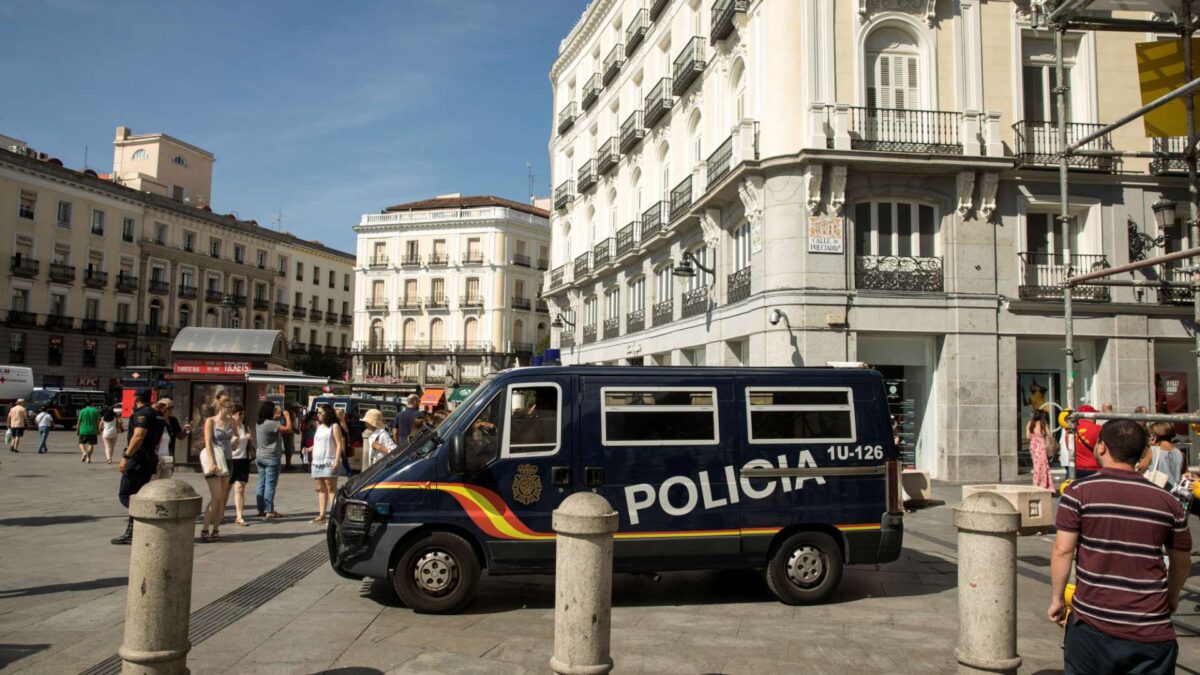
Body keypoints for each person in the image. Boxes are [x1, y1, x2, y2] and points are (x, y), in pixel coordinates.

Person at [1049, 419, 1191, 674]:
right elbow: (1181, 561)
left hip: (1092, 626)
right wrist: (1171, 598)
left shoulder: (1078, 492)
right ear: (1142, 453)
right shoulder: (1168, 501)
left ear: (1102, 448)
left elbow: (1062, 550)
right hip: (1151, 630)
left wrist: (1058, 599)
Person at [111, 391, 164, 545]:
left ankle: (149, 514)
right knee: (139, 494)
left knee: (126, 495)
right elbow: (159, 438)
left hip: (138, 459)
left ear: (136, 399)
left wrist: (126, 457)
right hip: (149, 459)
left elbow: (139, 435)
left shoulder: (142, 414)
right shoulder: (158, 415)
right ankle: (132, 530)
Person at [199, 399, 234, 543]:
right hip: (215, 459)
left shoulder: (231, 421)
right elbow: (207, 441)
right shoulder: (210, 421)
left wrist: (236, 440)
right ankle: (205, 529)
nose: (231, 409)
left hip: (228, 460)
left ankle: (216, 529)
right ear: (221, 407)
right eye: (229, 407)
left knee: (222, 499)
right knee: (216, 497)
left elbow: (235, 439)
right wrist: (212, 461)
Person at [255, 401, 291, 519]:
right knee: (270, 484)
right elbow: (288, 429)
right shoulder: (271, 424)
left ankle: (261, 509)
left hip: (260, 456)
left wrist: (275, 417)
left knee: (261, 483)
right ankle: (269, 510)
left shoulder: (260, 422)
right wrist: (287, 416)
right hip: (271, 457)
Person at [310, 405, 344, 524]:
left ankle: (334, 515)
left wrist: (336, 460)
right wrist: (310, 449)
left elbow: (339, 444)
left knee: (331, 488)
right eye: (317, 412)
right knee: (320, 488)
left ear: (327, 413)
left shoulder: (334, 426)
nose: (318, 414)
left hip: (329, 460)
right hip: (317, 461)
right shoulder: (320, 427)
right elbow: (319, 442)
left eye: (320, 412)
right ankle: (322, 514)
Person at [226, 404, 254, 527]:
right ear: (232, 415)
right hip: (230, 460)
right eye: (239, 414)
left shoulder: (245, 427)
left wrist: (249, 437)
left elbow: (250, 440)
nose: (242, 416)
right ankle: (220, 513)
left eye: (243, 413)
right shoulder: (228, 428)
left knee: (240, 488)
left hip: (243, 460)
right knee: (225, 490)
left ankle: (239, 516)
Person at [1139, 422, 1185, 490]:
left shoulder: (1153, 450)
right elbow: (1184, 473)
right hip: (1175, 493)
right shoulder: (1180, 453)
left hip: (1158, 492)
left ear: (1156, 436)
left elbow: (1141, 469)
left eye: (1151, 435)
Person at [151, 399, 189, 479]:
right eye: (168, 407)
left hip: (168, 457)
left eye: (171, 407)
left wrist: (187, 430)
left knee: (165, 482)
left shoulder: (172, 420)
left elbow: (180, 436)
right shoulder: (154, 419)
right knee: (153, 482)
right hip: (155, 457)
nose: (170, 410)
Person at [1072, 404, 1102, 480]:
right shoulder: (1098, 429)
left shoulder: (1070, 430)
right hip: (1093, 469)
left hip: (1074, 469)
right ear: (1091, 416)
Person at [1027, 410, 1054, 491]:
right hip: (1041, 446)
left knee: (1036, 466)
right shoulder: (1043, 424)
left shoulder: (1030, 423)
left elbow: (1028, 436)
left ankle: (1036, 483)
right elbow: (1050, 435)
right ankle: (1045, 485)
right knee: (1044, 466)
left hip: (1033, 446)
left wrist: (1034, 436)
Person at [281, 405, 298, 471]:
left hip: (290, 434)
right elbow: (290, 427)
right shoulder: (288, 417)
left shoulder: (291, 416)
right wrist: (296, 430)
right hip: (288, 434)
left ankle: (289, 463)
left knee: (291, 449)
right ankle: (288, 464)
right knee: (289, 450)